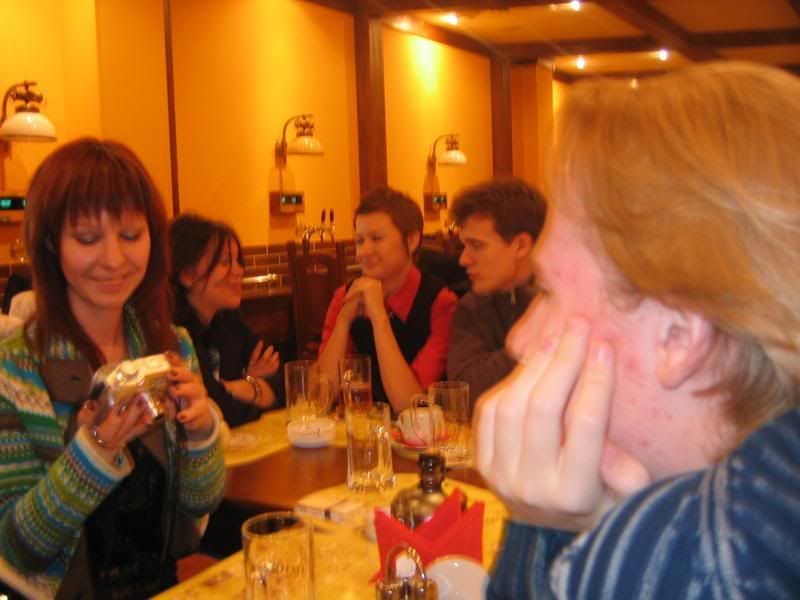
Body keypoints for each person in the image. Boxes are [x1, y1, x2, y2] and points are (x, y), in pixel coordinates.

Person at [476, 61, 800, 599]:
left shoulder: (686, 558)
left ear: (679, 333)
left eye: (547, 292)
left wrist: (540, 531)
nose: (519, 340)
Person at [0, 138, 226, 598]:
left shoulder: (171, 348)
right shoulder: (16, 370)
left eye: (130, 236)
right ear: (51, 243)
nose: (113, 259)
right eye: (87, 239)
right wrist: (95, 450)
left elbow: (199, 503)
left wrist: (202, 431)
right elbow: (19, 549)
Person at [318, 187, 458, 412]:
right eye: (359, 241)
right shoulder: (345, 297)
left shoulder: (441, 304)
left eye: (376, 239)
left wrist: (378, 316)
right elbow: (321, 397)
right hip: (360, 428)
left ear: (411, 241)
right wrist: (343, 322)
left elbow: (410, 405)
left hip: (419, 432)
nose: (364, 252)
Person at [169, 213, 281, 428]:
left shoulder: (228, 319)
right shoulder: (176, 334)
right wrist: (253, 389)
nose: (239, 270)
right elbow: (221, 411)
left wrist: (238, 385)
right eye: (224, 262)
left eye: (238, 261)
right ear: (187, 275)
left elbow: (283, 382)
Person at [447, 178, 547, 401]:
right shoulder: (472, 307)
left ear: (520, 245)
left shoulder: (571, 300)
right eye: (464, 245)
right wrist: (541, 335)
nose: (463, 259)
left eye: (476, 245)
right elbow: (463, 391)